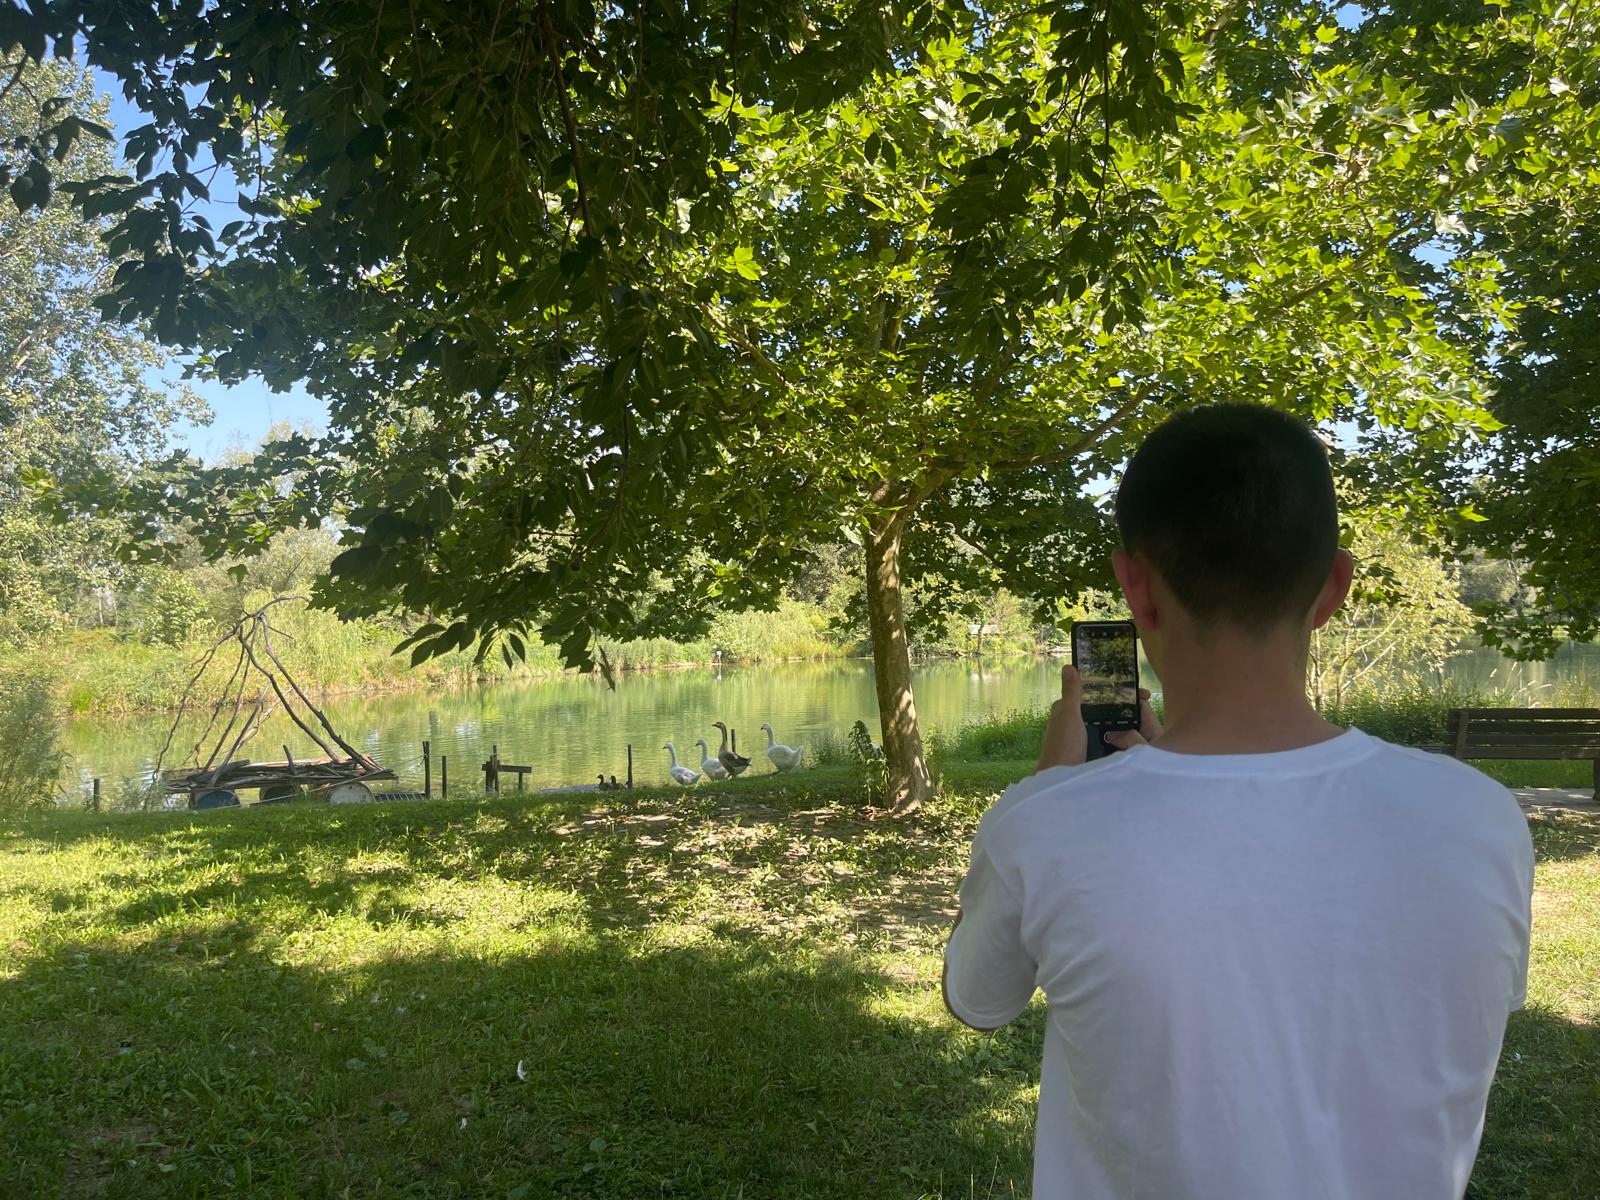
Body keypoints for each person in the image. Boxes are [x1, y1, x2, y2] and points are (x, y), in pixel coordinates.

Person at [942, 404, 1534, 1200]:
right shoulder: (1482, 818)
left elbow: (977, 1001)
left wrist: (1052, 788)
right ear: (1334, 587)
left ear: (1137, 588)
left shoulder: (1043, 826)